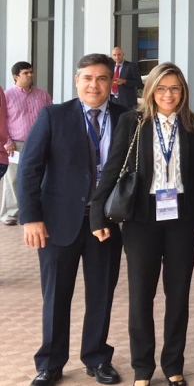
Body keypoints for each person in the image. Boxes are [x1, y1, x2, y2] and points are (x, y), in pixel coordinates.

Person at [90, 62, 194, 386]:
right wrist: (97, 212)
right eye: (162, 88)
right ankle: (142, 368)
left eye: (175, 88)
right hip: (141, 220)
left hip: (183, 219)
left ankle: (174, 364)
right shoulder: (133, 122)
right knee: (141, 297)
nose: (168, 94)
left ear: (183, 92)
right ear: (151, 91)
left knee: (178, 296)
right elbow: (112, 169)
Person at [17, 54, 126, 386]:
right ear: (77, 80)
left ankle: (96, 357)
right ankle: (50, 363)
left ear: (112, 82)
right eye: (88, 78)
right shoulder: (53, 115)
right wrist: (31, 218)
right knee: (56, 295)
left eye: (102, 78)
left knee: (101, 294)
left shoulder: (127, 118)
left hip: (105, 222)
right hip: (57, 222)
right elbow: (29, 169)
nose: (94, 84)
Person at [1, 61, 52, 226]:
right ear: (16, 76)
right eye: (26, 73)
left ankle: (36, 211)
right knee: (14, 179)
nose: (30, 75)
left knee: (40, 177)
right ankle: (10, 214)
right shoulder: (7, 96)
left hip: (39, 143)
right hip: (16, 144)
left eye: (31, 72)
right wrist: (7, 141)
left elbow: (51, 117)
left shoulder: (42, 95)